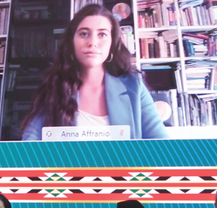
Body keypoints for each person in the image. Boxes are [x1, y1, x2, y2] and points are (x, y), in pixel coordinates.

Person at [21, 4, 167, 141]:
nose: (93, 42)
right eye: (84, 34)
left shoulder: (134, 86)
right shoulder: (54, 86)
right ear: (72, 42)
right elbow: (29, 146)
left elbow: (161, 146)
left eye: (102, 35)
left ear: (112, 43)